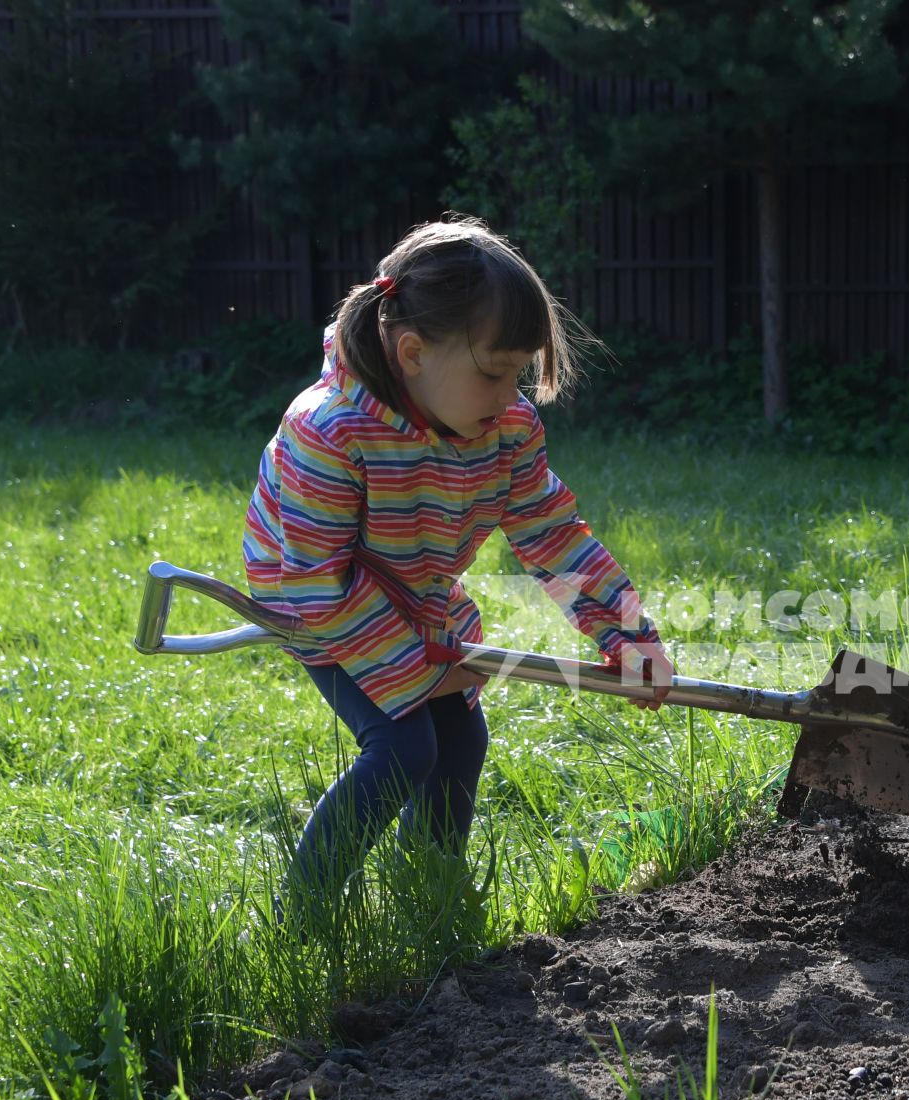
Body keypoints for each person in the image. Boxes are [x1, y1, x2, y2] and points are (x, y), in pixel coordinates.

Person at [242, 215, 673, 930]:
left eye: (520, 374)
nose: (511, 396)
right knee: (405, 745)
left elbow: (551, 534)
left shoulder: (503, 430)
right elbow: (317, 583)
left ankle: (430, 904)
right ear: (412, 352)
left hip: (416, 590)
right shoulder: (330, 433)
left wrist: (628, 633)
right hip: (314, 597)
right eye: (494, 373)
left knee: (461, 741)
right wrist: (418, 669)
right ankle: (303, 925)